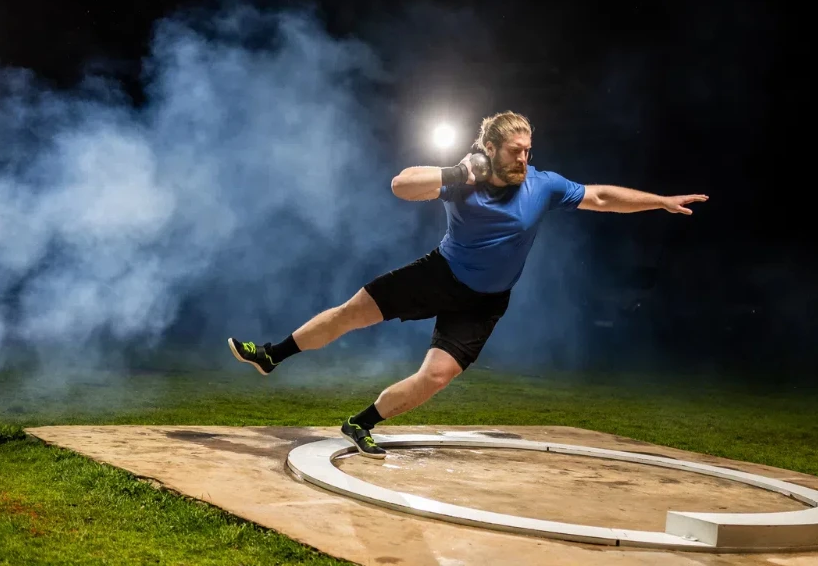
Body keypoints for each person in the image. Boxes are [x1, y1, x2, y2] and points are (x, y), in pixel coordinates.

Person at [228, 111, 708, 459]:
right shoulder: (466, 177)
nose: (524, 158)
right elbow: (401, 185)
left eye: (528, 150)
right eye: (515, 151)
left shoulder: (543, 185)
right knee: (351, 313)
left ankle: (361, 423)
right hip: (439, 273)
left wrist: (659, 201)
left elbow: (601, 197)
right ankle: (272, 354)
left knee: (437, 376)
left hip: (484, 301)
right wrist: (457, 174)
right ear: (491, 149)